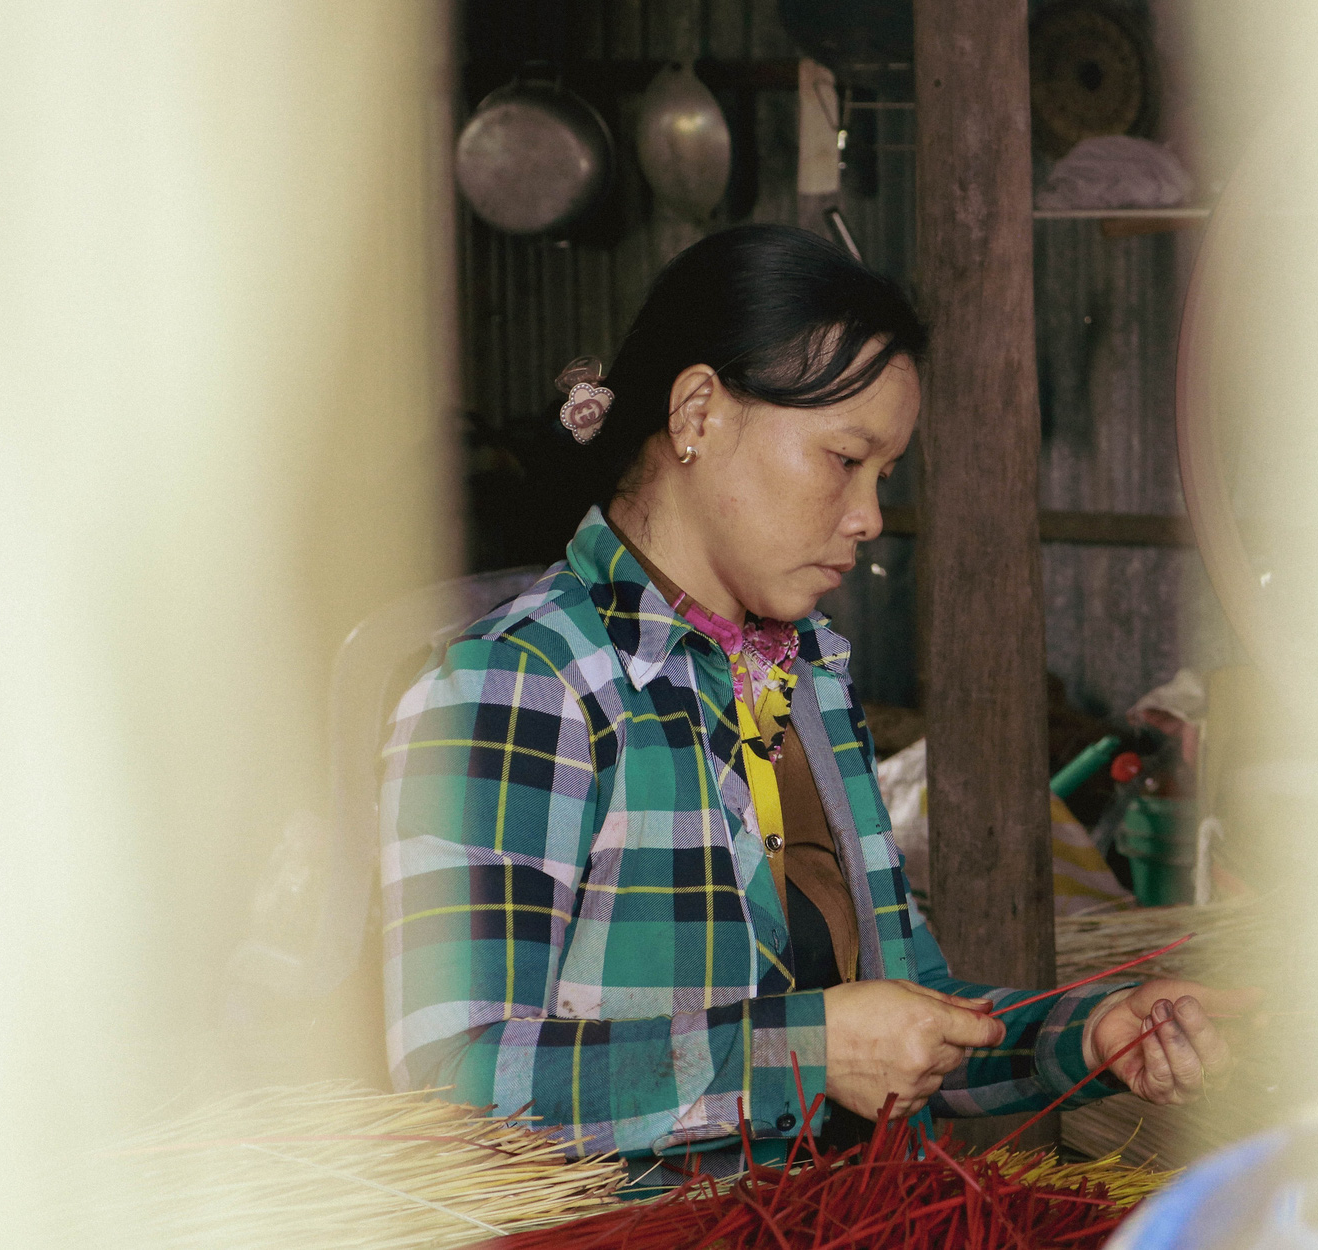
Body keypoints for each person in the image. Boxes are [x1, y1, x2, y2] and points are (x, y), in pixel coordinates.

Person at [380, 224, 1241, 1184]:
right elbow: (452, 1088)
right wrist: (806, 1050)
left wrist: (1087, 1038)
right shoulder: (524, 686)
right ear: (699, 413)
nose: (871, 516)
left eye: (885, 476)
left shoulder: (806, 678)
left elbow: (904, 1021)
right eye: (845, 459)